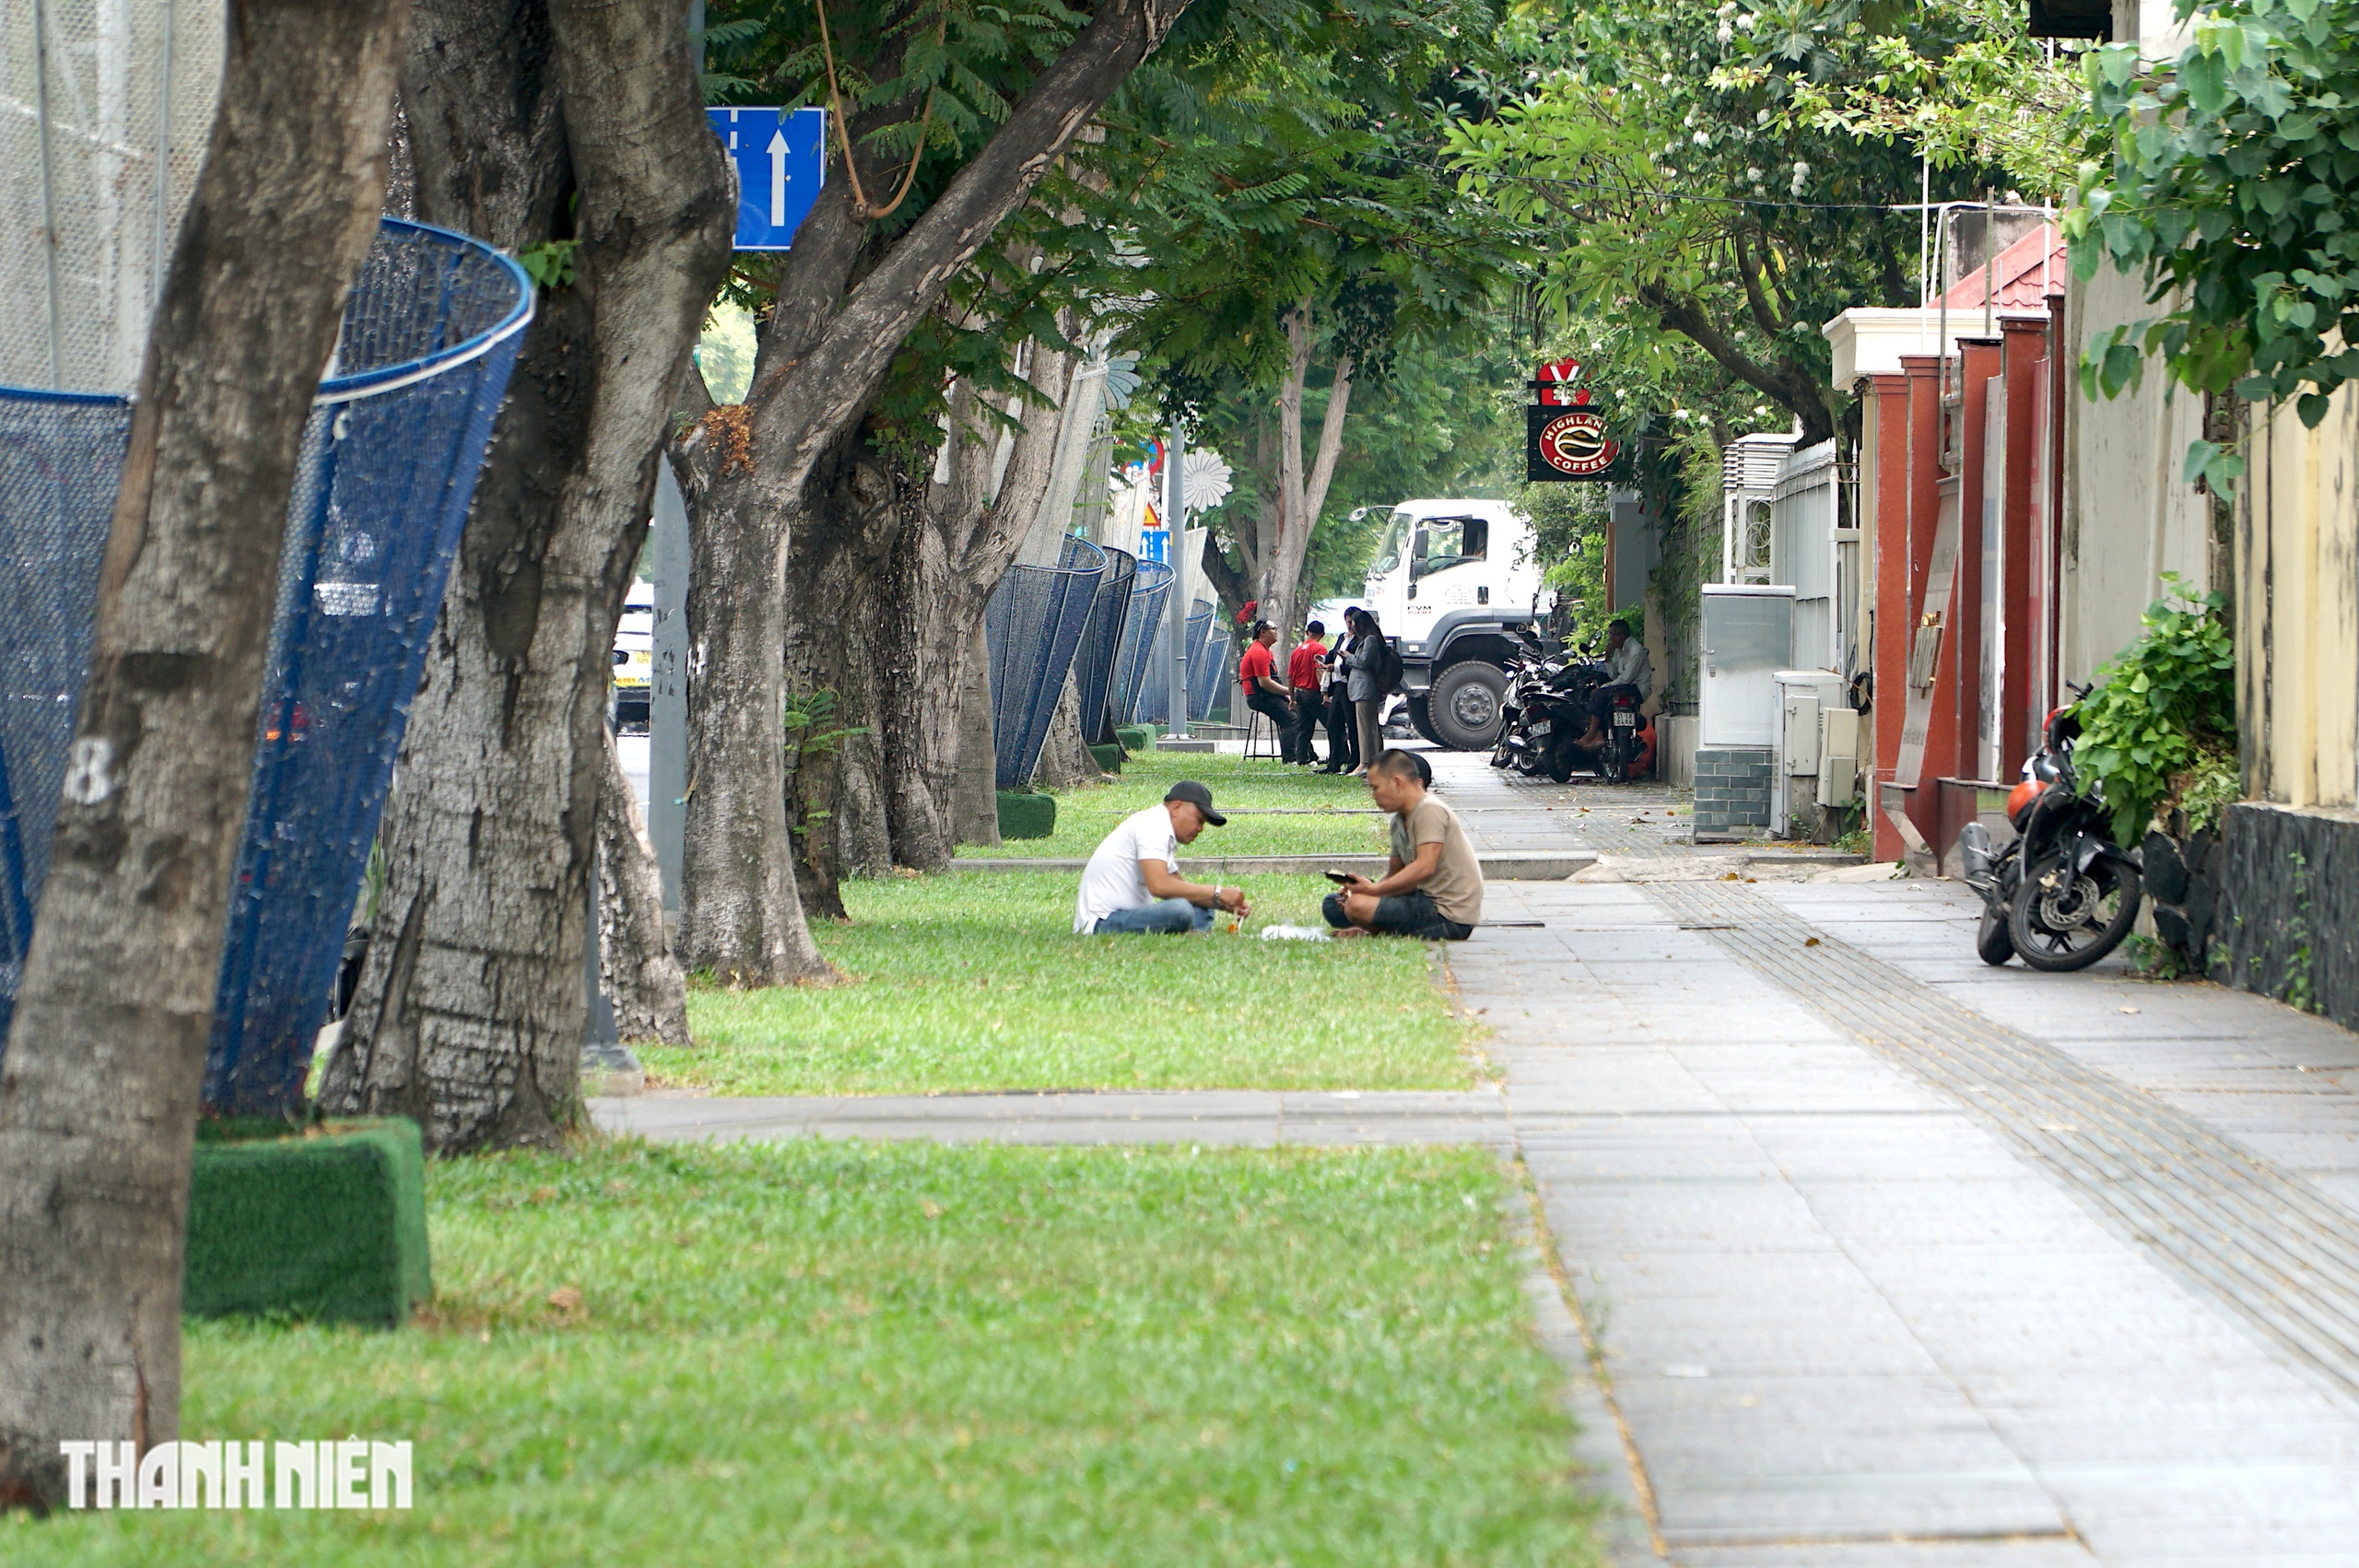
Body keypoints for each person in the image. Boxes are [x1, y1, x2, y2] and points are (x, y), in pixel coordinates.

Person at [1322, 748, 1482, 941]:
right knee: (1334, 903)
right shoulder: (1398, 820)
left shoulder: (1429, 809)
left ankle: (1373, 930)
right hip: (1419, 898)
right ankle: (1372, 926)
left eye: (1375, 788)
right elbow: (1394, 873)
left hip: (1446, 915)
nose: (1373, 796)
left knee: (1357, 906)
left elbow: (1425, 866)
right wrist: (1362, 889)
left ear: (1396, 782)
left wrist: (1374, 891)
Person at [1074, 780, 1251, 934]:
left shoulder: (1161, 827)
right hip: (1102, 922)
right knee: (1180, 910)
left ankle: (1193, 933)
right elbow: (1159, 886)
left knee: (1200, 904)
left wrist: (1222, 903)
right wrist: (1217, 892)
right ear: (1176, 807)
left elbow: (1179, 887)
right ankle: (1192, 930)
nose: (1200, 828)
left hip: (1131, 915)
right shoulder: (1152, 824)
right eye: (1199, 819)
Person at [1576, 618, 1653, 750]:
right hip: (1624, 686)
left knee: (1599, 694)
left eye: (1612, 635)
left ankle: (1592, 734)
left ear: (1622, 635)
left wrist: (1604, 688)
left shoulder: (1636, 650)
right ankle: (1603, 733)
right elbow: (1614, 675)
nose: (1610, 639)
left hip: (1637, 688)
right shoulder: (1619, 651)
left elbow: (1626, 679)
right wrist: (1608, 657)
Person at [1342, 607, 1389, 776]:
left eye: (1354, 624)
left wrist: (1348, 656)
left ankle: (1366, 762)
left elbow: (1363, 662)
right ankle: (1375, 761)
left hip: (1365, 689)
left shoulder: (1370, 640)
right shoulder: (1370, 639)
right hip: (1363, 689)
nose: (1352, 628)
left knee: (1365, 728)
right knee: (1370, 726)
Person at [1238, 620, 1296, 753]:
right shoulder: (1259, 652)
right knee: (1292, 720)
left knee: (1299, 716)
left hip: (1268, 694)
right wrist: (1289, 692)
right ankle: (1290, 758)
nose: (1276, 632)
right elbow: (1265, 683)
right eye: (1273, 629)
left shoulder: (1265, 651)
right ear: (1263, 632)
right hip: (1260, 696)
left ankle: (1308, 756)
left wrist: (1288, 695)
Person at [1284, 619, 1329, 766]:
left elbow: (1290, 676)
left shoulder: (1297, 651)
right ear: (1322, 634)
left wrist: (1292, 698)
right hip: (1314, 694)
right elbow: (1319, 670)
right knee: (1332, 724)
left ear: (1306, 632)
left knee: (1304, 728)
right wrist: (1325, 693)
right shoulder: (1320, 649)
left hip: (1300, 693)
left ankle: (1302, 757)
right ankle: (1341, 755)